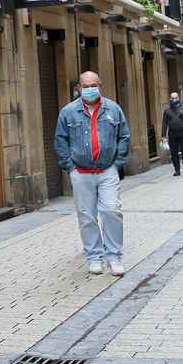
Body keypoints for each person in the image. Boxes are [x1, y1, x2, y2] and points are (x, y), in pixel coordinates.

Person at [54, 71, 131, 276]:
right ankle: (94, 256)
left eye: (93, 85)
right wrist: (70, 166)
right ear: (79, 88)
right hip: (81, 172)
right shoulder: (68, 112)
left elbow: (124, 136)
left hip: (107, 170)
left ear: (100, 85)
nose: (89, 89)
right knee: (87, 216)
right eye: (85, 86)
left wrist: (118, 163)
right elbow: (60, 140)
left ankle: (114, 256)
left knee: (111, 210)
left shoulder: (113, 109)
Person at [162, 91, 183, 175]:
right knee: (174, 153)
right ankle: (177, 170)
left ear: (178, 98)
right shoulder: (167, 111)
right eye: (172, 98)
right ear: (170, 99)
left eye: (175, 98)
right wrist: (163, 136)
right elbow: (164, 124)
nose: (174, 99)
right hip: (172, 134)